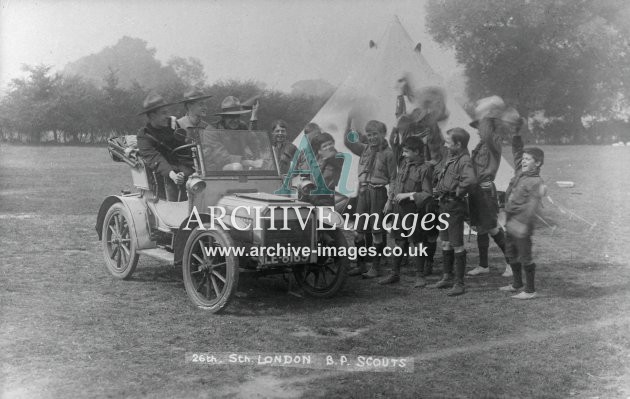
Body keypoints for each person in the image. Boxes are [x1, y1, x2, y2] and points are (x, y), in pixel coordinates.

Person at [466, 98, 518, 277]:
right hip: (475, 190)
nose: (478, 130)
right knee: (481, 227)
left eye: (481, 126)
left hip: (485, 190)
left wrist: (489, 115)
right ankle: (483, 265)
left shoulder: (493, 141)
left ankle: (512, 263)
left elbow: (490, 133)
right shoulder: (480, 145)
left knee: (493, 227)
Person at [344, 116, 397, 278]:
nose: (372, 137)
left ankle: (375, 267)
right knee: (358, 232)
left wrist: (390, 200)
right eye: (369, 134)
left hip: (378, 193)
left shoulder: (388, 154)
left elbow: (394, 178)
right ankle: (361, 265)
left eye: (375, 134)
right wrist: (349, 121)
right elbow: (348, 142)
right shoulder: (365, 149)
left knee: (376, 231)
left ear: (383, 134)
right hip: (363, 193)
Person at [379, 136, 433, 286]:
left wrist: (408, 195)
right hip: (399, 210)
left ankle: (420, 276)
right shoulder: (404, 164)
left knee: (417, 243)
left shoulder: (425, 169)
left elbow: (427, 193)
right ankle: (394, 274)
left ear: (417, 152)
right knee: (399, 242)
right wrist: (390, 201)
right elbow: (396, 184)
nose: (403, 154)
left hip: (414, 210)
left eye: (407, 152)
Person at [429, 127, 476, 296]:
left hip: (454, 206)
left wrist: (458, 192)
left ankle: (459, 283)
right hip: (444, 204)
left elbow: (470, 180)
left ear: (458, 144)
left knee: (457, 244)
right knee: (446, 242)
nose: (446, 145)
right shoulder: (452, 157)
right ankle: (447, 276)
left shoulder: (464, 160)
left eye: (449, 142)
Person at [499, 134, 546, 299]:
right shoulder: (521, 174)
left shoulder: (536, 182)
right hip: (511, 221)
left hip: (522, 225)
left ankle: (530, 290)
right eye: (524, 159)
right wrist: (517, 136)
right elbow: (517, 155)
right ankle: (517, 284)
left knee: (525, 256)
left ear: (538, 163)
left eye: (528, 159)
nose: (524, 161)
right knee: (511, 253)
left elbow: (532, 207)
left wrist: (523, 225)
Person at [136, 92, 193, 201]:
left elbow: (184, 151)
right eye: (163, 113)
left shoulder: (172, 127)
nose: (167, 116)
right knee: (171, 184)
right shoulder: (144, 135)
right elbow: (156, 158)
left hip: (181, 170)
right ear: (152, 116)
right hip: (162, 175)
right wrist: (173, 175)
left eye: (167, 112)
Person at [206, 96, 263, 171]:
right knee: (237, 167)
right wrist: (248, 162)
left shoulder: (242, 126)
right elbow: (220, 156)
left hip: (240, 166)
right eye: (231, 116)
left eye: (237, 116)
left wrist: (258, 158)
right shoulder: (212, 130)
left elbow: (254, 143)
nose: (235, 120)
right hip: (215, 170)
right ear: (223, 117)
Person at [301, 132, 343, 207]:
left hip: (326, 198)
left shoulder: (338, 157)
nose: (329, 147)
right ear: (319, 150)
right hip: (311, 196)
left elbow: (331, 156)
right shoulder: (315, 160)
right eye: (325, 146)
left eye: (330, 144)